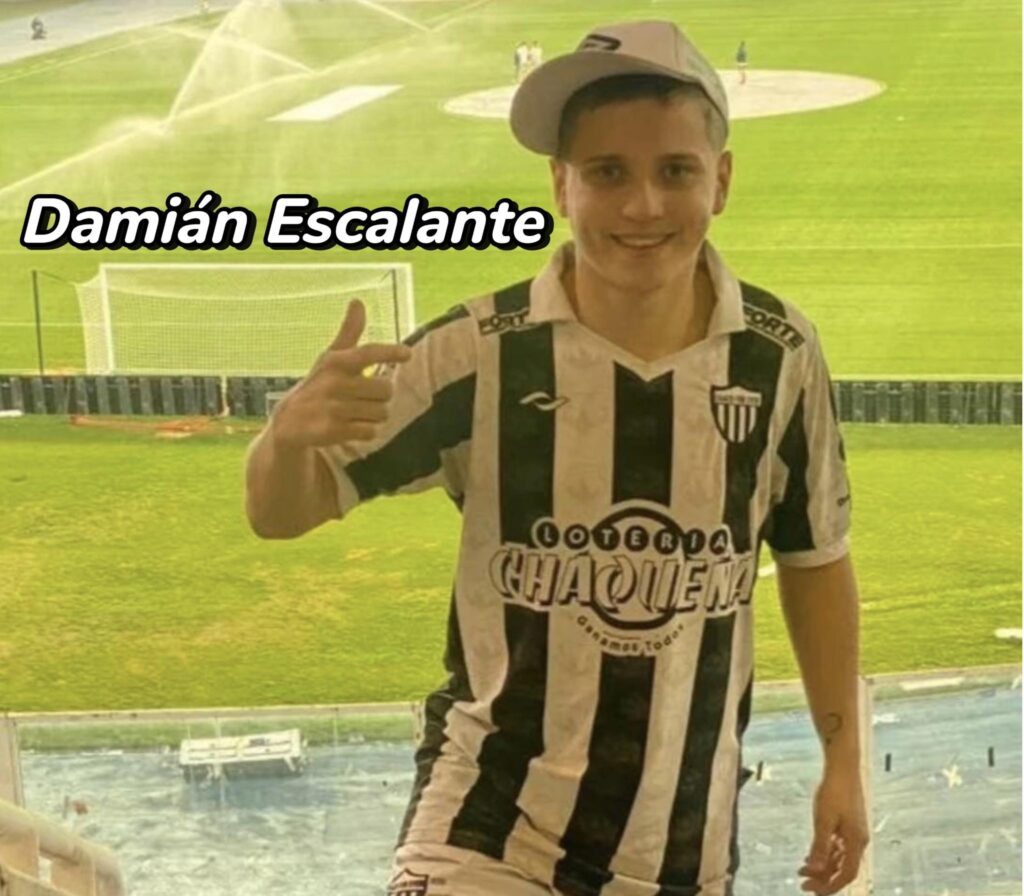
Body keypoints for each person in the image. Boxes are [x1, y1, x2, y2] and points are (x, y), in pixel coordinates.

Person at [245, 19, 867, 896]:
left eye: (675, 171)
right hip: (484, 830)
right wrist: (285, 438)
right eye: (607, 172)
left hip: (682, 852)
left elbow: (814, 559)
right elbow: (284, 513)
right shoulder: (477, 352)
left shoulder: (781, 357)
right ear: (560, 186)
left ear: (721, 180)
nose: (642, 205)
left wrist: (845, 764)